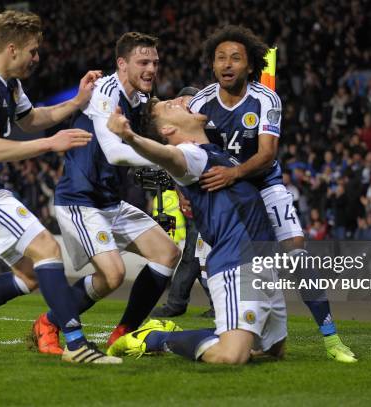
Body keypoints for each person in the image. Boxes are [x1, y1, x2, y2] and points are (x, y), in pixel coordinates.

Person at [0, 10, 120, 364]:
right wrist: (52, 144)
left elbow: (32, 119)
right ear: (12, 49)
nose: (36, 58)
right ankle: (77, 345)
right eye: (32, 51)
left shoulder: (6, 83)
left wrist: (77, 102)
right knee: (48, 248)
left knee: (30, 275)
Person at [187, 25, 355, 362]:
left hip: (262, 185)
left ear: (250, 66)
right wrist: (185, 193)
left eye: (235, 58)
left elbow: (266, 154)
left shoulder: (266, 98)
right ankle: (232, 333)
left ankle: (331, 338)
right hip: (222, 193)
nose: (227, 64)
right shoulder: (200, 103)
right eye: (221, 58)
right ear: (213, 64)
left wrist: (234, 172)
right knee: (207, 264)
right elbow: (184, 149)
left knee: (295, 254)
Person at [30, 32, 181, 355]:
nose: (152, 69)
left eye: (155, 62)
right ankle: (50, 322)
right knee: (113, 275)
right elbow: (113, 152)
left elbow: (165, 125)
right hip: (80, 200)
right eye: (143, 62)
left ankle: (123, 334)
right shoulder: (105, 92)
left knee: (167, 253)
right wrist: (170, 162)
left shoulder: (140, 100)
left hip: (110, 201)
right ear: (122, 64)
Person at [105, 97, 286, 364]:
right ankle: (153, 337)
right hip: (236, 263)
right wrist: (130, 136)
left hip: (263, 259)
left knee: (272, 352)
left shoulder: (212, 151)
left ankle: (219, 333)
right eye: (170, 106)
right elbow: (169, 156)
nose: (180, 100)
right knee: (231, 356)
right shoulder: (189, 153)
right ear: (167, 130)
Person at [151, 86, 213, 318]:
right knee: (196, 254)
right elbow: (178, 162)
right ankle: (180, 303)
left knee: (198, 255)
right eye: (180, 102)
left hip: (210, 207)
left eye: (184, 101)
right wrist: (181, 192)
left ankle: (178, 304)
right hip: (201, 205)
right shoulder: (189, 144)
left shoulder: (204, 133)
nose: (182, 105)